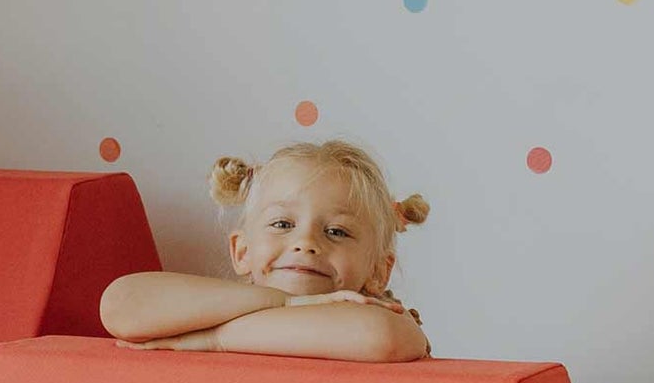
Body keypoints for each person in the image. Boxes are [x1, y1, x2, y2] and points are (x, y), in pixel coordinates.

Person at [100, 139, 432, 361]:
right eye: (283, 224)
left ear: (379, 271)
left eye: (336, 231)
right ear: (242, 251)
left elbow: (380, 336)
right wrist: (285, 302)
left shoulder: (384, 318)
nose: (306, 242)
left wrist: (215, 339)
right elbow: (121, 304)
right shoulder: (223, 305)